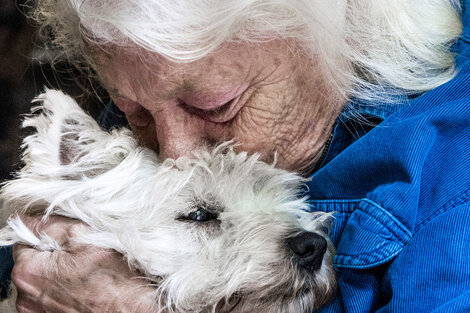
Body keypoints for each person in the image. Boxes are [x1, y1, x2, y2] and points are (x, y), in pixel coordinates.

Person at [1, 0, 469, 312]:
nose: (174, 152)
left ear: (340, 40)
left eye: (216, 106)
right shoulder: (162, 91)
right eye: (134, 112)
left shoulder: (452, 180)